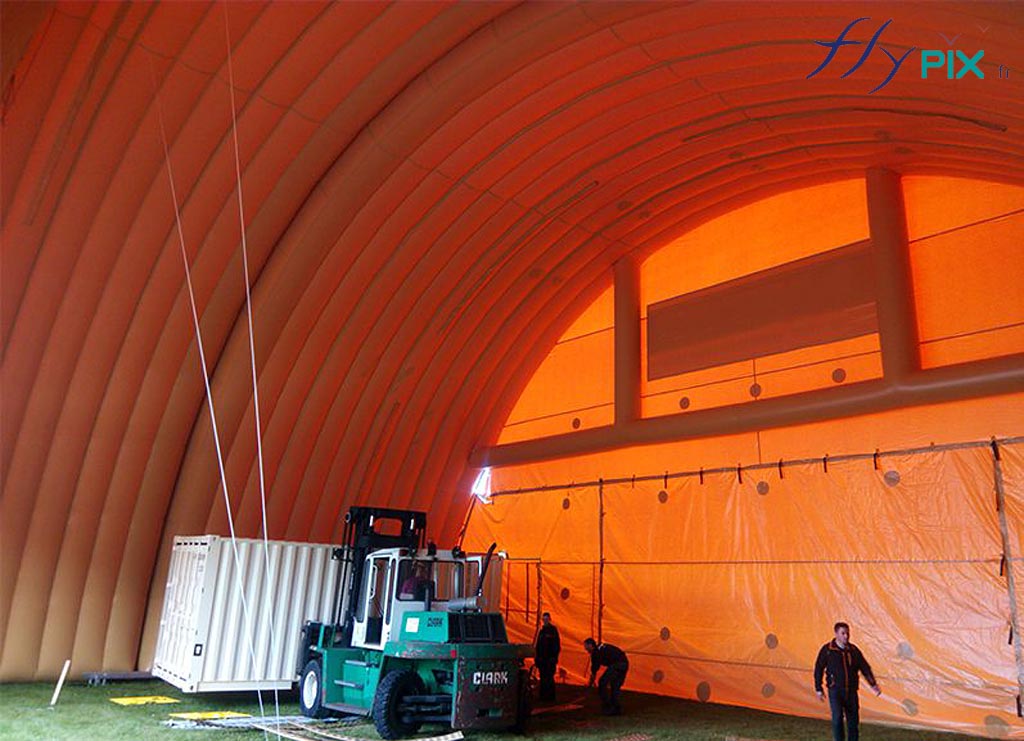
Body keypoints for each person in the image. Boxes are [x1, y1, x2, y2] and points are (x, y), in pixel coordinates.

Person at [814, 622, 881, 741]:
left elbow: (864, 667)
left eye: (847, 633)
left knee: (853, 721)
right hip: (835, 691)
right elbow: (819, 668)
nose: (846, 636)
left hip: (851, 691)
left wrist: (873, 684)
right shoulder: (828, 650)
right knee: (837, 718)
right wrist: (818, 688)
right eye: (843, 633)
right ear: (836, 634)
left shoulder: (853, 650)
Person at [583, 637, 629, 715]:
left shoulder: (595, 653)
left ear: (591, 645)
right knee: (615, 686)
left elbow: (594, 668)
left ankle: (607, 705)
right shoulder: (600, 648)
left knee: (602, 682)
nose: (585, 649)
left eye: (586, 646)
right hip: (624, 663)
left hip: (617, 664)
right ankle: (616, 709)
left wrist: (591, 681)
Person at [534, 612, 561, 702]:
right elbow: (538, 646)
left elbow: (556, 645)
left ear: (549, 619)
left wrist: (554, 657)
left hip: (550, 659)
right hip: (542, 659)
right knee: (543, 677)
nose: (545, 621)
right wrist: (537, 658)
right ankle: (543, 696)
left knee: (549, 677)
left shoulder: (553, 631)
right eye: (544, 619)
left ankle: (550, 697)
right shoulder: (542, 632)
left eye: (546, 619)